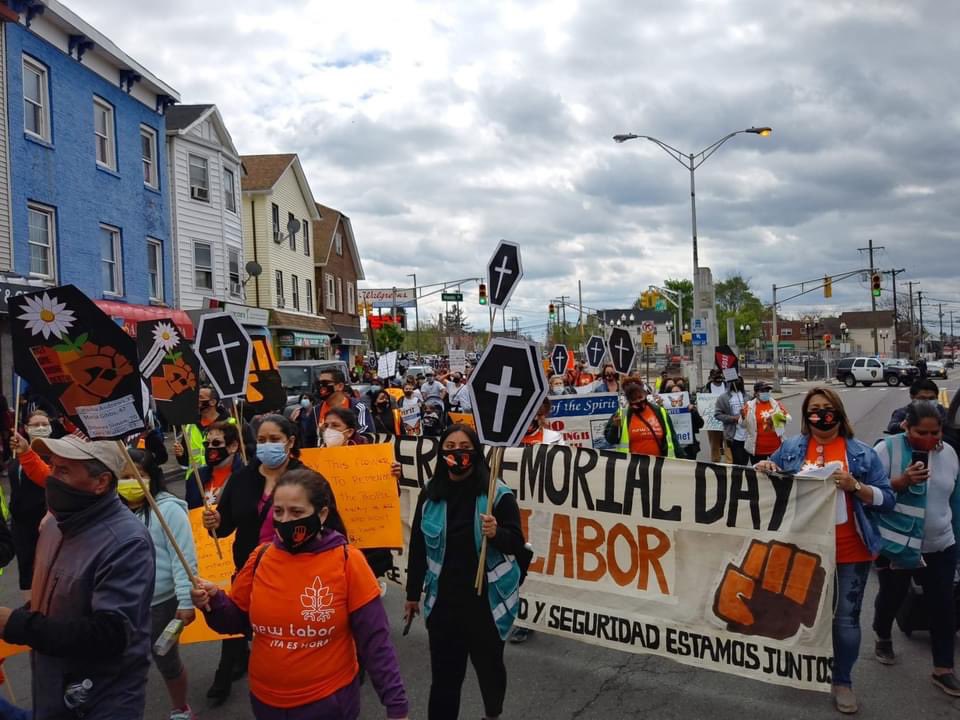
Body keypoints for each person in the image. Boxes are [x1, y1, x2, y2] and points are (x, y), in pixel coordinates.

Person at [192, 468, 409, 720]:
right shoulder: (261, 557)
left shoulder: (348, 561)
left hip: (327, 703)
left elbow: (376, 642)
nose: (285, 520)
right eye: (278, 511)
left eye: (296, 512)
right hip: (265, 703)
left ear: (322, 514)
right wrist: (214, 600)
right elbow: (235, 621)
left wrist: (397, 707)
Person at [755, 387, 894, 714]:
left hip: (851, 551)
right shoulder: (790, 449)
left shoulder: (861, 454)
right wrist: (765, 468)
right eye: (814, 409)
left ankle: (842, 680)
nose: (821, 414)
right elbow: (767, 482)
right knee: (794, 613)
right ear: (806, 415)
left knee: (845, 620)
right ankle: (802, 669)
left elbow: (888, 500)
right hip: (802, 550)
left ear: (839, 413)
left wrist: (856, 487)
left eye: (827, 408)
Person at [0, 436, 156, 719]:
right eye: (52, 466)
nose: (51, 478)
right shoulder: (54, 525)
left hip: (98, 702)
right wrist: (16, 619)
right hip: (52, 691)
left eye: (63, 471)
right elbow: (54, 600)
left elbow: (110, 634)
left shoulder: (126, 541)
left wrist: (16, 624)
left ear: (101, 482)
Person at [404, 424, 525, 720]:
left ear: (476, 452)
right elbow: (419, 546)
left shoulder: (497, 494)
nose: (457, 453)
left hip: (486, 604)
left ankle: (492, 714)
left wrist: (497, 533)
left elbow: (517, 545)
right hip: (443, 605)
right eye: (449, 447)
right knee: (445, 680)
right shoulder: (430, 495)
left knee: (490, 671)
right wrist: (411, 595)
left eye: (464, 446)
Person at [202, 414, 303, 703]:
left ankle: (290, 687)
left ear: (290, 442)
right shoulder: (242, 478)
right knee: (235, 620)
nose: (267, 445)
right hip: (248, 570)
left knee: (285, 635)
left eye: (274, 440)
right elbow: (225, 527)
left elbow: (328, 527)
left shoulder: (306, 478)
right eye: (261, 440)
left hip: (292, 576)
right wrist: (216, 521)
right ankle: (226, 673)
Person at [870, 401, 960, 695]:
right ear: (906, 427)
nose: (932, 440)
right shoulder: (887, 450)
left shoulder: (949, 454)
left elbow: (954, 502)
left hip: (941, 544)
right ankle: (883, 634)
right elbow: (868, 493)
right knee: (892, 596)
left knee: (944, 606)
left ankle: (943, 668)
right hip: (898, 546)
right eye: (923, 433)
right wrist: (902, 482)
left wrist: (957, 543)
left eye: (937, 432)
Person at [120, 448, 199, 720]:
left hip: (161, 602)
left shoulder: (167, 510)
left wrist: (186, 601)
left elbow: (183, 557)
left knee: (165, 658)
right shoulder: (111, 511)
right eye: (125, 477)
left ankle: (181, 708)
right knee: (125, 660)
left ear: (152, 476)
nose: (132, 482)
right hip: (124, 601)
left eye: (139, 475)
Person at [6, 411, 53, 593]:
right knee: (27, 574)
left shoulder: (57, 453)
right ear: (25, 428)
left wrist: (27, 453)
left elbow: (48, 480)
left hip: (45, 523)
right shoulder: (16, 452)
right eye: (35, 425)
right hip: (21, 525)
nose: (40, 428)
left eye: (44, 424)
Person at [174, 385, 253, 477]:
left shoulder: (232, 423)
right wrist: (180, 454)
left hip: (226, 479)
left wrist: (241, 448)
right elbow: (185, 461)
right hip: (196, 482)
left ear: (212, 402)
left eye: (200, 398)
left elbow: (252, 448)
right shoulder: (189, 426)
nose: (196, 400)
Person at [604, 377, 677, 457]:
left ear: (645, 394)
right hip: (633, 466)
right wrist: (615, 427)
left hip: (660, 465)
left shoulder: (660, 412)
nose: (638, 401)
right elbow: (611, 440)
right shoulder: (621, 414)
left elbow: (673, 438)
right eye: (633, 399)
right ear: (628, 400)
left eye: (640, 397)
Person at [186, 421, 244, 510]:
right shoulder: (196, 477)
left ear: (233, 446)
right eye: (207, 443)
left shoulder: (245, 477)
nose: (210, 447)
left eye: (216, 443)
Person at [742, 381, 791, 463]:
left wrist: (776, 418)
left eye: (767, 391)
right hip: (757, 449)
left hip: (776, 448)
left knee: (776, 473)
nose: (766, 393)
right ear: (756, 393)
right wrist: (743, 417)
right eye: (763, 391)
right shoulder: (749, 406)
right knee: (759, 474)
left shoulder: (776, 404)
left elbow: (788, 418)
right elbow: (743, 425)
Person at [714, 377, 749, 465]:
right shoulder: (723, 398)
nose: (737, 383)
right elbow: (717, 415)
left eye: (739, 380)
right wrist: (733, 418)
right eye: (735, 381)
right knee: (737, 461)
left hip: (748, 436)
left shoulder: (748, 397)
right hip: (733, 435)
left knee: (744, 461)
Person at [703, 369, 728, 462]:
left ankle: (729, 462)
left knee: (728, 441)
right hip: (712, 419)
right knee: (714, 442)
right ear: (711, 377)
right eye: (716, 375)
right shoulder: (707, 388)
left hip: (726, 417)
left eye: (720, 375)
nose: (718, 377)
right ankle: (715, 460)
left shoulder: (727, 386)